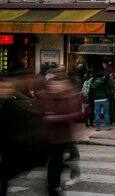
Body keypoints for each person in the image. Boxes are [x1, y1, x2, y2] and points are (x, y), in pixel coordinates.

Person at [38, 67, 82, 195]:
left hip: (62, 138)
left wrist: (54, 118)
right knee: (53, 163)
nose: (55, 86)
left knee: (56, 163)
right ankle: (56, 184)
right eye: (53, 83)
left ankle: (56, 186)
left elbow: (76, 113)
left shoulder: (69, 96)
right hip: (48, 137)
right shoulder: (45, 96)